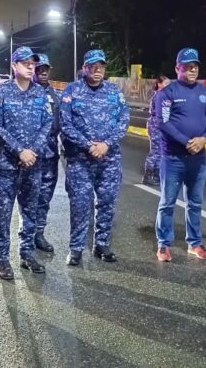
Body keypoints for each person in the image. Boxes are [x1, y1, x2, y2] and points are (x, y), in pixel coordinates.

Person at [0, 46, 53, 280]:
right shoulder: (0, 92)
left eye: (32, 63)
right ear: (14, 66)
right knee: (2, 215)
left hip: (33, 165)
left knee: (30, 212)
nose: (30, 66)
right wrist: (19, 151)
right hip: (7, 166)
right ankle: (3, 259)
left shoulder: (40, 94)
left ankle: (27, 253)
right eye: (25, 63)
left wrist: (32, 151)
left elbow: (48, 123)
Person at [60, 49, 129, 266]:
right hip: (80, 159)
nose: (97, 70)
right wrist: (88, 145)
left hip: (109, 159)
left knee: (107, 202)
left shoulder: (114, 92)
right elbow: (65, 124)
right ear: (85, 68)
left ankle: (102, 244)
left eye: (101, 66)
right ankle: (76, 248)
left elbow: (123, 121)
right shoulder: (72, 91)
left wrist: (106, 144)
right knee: (80, 204)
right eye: (93, 66)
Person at [154, 48, 206, 262]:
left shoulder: (205, 92)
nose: (192, 70)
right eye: (187, 66)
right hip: (173, 158)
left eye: (195, 66)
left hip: (198, 159)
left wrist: (203, 139)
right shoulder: (167, 93)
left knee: (195, 203)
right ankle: (163, 244)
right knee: (167, 202)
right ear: (177, 68)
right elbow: (163, 123)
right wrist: (186, 141)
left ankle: (194, 243)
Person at [33, 53, 61, 253]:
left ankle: (38, 233)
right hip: (30, 155)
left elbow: (62, 123)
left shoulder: (55, 95)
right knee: (29, 198)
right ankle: (26, 235)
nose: (43, 72)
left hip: (50, 155)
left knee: (44, 198)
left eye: (46, 69)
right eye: (39, 69)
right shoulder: (26, 92)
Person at [143, 75, 172, 186]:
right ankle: (148, 176)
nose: (168, 86)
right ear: (159, 84)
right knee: (155, 151)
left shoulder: (163, 95)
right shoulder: (159, 95)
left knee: (160, 151)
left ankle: (156, 175)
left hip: (159, 125)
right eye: (166, 83)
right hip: (156, 125)